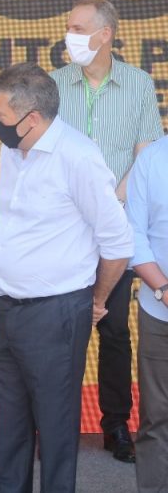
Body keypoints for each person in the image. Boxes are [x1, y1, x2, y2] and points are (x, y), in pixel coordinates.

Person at [0, 63, 132, 493]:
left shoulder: (77, 157)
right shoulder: (15, 148)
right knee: (9, 428)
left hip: (55, 314)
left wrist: (97, 301)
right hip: (6, 310)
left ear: (32, 117)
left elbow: (117, 242)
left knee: (55, 430)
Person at [50, 0, 164, 463]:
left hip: (116, 226)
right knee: (59, 331)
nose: (69, 35)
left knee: (114, 329)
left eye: (78, 28)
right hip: (63, 228)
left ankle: (116, 424)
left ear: (105, 34)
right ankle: (54, 426)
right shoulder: (53, 84)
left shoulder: (138, 84)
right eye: (69, 27)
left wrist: (111, 200)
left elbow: (147, 155)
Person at [125, 135, 168, 492]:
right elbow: (134, 235)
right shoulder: (152, 160)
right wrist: (164, 290)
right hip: (159, 310)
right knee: (157, 416)